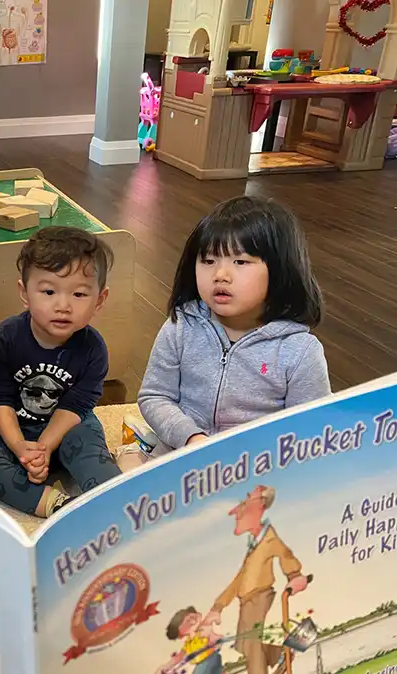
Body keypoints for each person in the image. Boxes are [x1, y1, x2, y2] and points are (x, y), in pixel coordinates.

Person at [138, 196, 330, 454]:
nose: (220, 275)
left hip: (254, 464)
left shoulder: (299, 351)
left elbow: (310, 428)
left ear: (280, 269)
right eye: (208, 261)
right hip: (182, 452)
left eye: (240, 261)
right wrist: (191, 437)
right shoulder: (181, 326)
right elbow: (154, 396)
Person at [0, 227, 122, 518]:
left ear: (99, 300)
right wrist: (20, 447)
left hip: (71, 428)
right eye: (49, 292)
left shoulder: (94, 348)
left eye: (79, 294)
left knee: (91, 453)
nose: (63, 306)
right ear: (24, 293)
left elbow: (77, 405)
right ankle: (56, 505)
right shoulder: (5, 337)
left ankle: (116, 505)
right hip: (18, 427)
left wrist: (44, 447)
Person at [203, 485, 309, 674]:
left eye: (248, 499)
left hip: (259, 598)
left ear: (260, 504)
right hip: (246, 603)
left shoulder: (269, 539)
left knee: (251, 646)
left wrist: (295, 575)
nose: (240, 509)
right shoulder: (255, 544)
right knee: (248, 645)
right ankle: (283, 651)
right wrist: (217, 607)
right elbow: (239, 580)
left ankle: (284, 651)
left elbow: (285, 554)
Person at [156, 606, 223, 674]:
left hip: (209, 659)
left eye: (193, 617)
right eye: (187, 622)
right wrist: (166, 666)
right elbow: (179, 656)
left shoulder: (203, 628)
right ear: (181, 634)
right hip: (203, 664)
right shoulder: (189, 642)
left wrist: (215, 618)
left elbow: (212, 621)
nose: (192, 621)